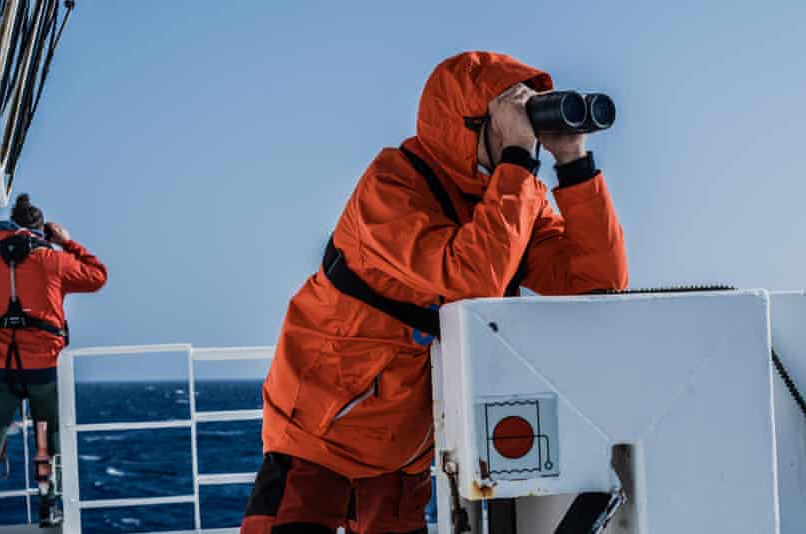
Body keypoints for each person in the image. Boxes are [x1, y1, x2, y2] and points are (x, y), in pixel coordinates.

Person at [241, 51, 628, 534]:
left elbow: (595, 282)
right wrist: (517, 163)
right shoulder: (391, 186)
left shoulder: (511, 197)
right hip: (321, 436)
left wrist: (574, 162)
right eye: (512, 120)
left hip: (403, 448)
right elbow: (471, 278)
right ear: (469, 125)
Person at [0, 194, 108, 534]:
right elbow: (98, 276)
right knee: (47, 438)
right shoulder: (53, 261)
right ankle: (47, 508)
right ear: (42, 229)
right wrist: (68, 243)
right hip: (42, 369)